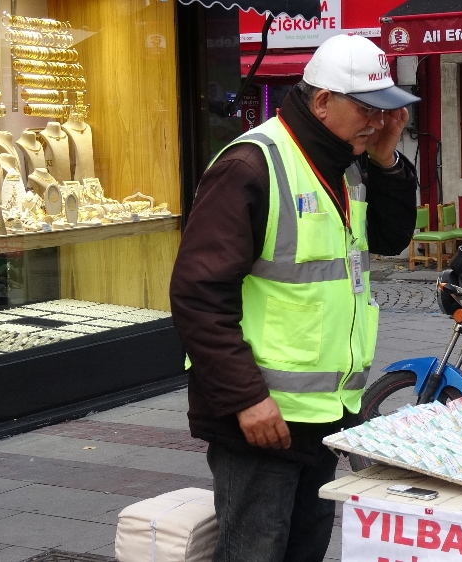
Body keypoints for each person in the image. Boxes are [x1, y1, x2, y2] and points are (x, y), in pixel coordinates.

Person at [169, 35, 419, 561]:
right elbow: (198, 294)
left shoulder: (343, 162)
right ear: (322, 101)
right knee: (254, 553)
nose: (378, 121)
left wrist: (387, 158)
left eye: (386, 110)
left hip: (324, 413)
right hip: (260, 417)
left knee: (304, 549)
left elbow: (392, 237)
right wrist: (245, 398)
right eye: (367, 110)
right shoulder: (253, 164)